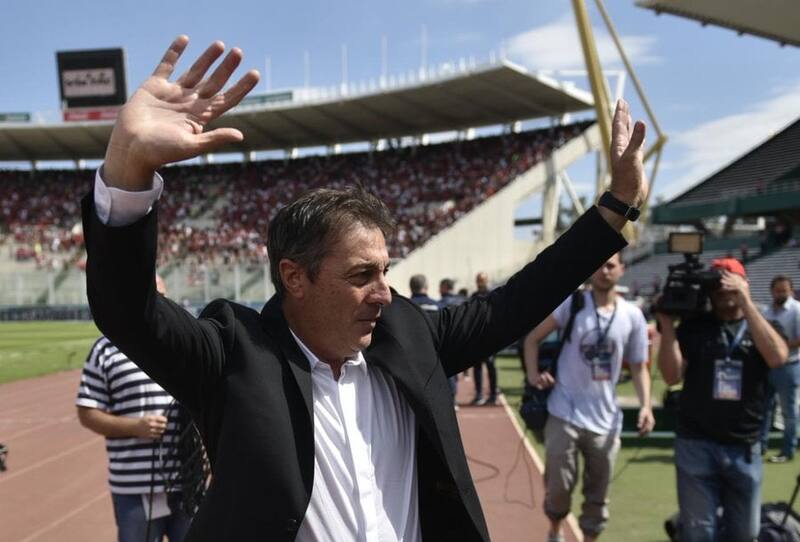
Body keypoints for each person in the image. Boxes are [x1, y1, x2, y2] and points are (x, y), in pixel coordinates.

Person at [81, 36, 647, 541]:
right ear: (294, 276)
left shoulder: (410, 335)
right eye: (361, 275)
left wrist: (614, 209)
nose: (383, 292)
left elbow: (514, 302)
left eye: (384, 271)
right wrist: (127, 170)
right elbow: (128, 311)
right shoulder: (234, 355)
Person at [523, 253, 654, 542]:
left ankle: (589, 538)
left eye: (611, 265)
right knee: (558, 486)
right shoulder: (573, 304)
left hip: (605, 419)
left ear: (622, 270)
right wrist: (533, 376)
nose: (604, 270)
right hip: (563, 412)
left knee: (598, 492)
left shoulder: (632, 315)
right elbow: (532, 339)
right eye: (599, 264)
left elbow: (639, 367)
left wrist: (646, 405)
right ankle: (555, 531)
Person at [656, 258, 788, 542]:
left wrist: (747, 303)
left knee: (745, 533)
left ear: (744, 283)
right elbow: (670, 376)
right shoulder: (695, 326)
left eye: (730, 280)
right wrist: (667, 327)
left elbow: (777, 357)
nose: (722, 288)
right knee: (699, 533)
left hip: (744, 445)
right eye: (717, 282)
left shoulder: (763, 324)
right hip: (696, 443)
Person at [76, 276, 191, 542]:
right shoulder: (105, 350)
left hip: (186, 483)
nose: (156, 304)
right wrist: (135, 427)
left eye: (160, 297)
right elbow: (87, 411)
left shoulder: (183, 346)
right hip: (134, 489)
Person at [760, 274, 800, 463]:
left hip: (789, 366)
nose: (781, 293)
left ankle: (788, 450)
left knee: (788, 412)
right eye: (778, 290)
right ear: (772, 291)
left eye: (784, 290)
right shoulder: (766, 311)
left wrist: (778, 347)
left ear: (791, 291)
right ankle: (760, 446)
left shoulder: (797, 310)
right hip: (766, 366)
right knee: (763, 408)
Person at [471, 272, 498, 406]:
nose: (479, 282)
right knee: (477, 367)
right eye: (478, 280)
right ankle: (478, 394)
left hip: (490, 336)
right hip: (477, 336)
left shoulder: (492, 295)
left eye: (481, 280)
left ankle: (493, 394)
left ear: (486, 281)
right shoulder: (473, 296)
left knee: (491, 366)